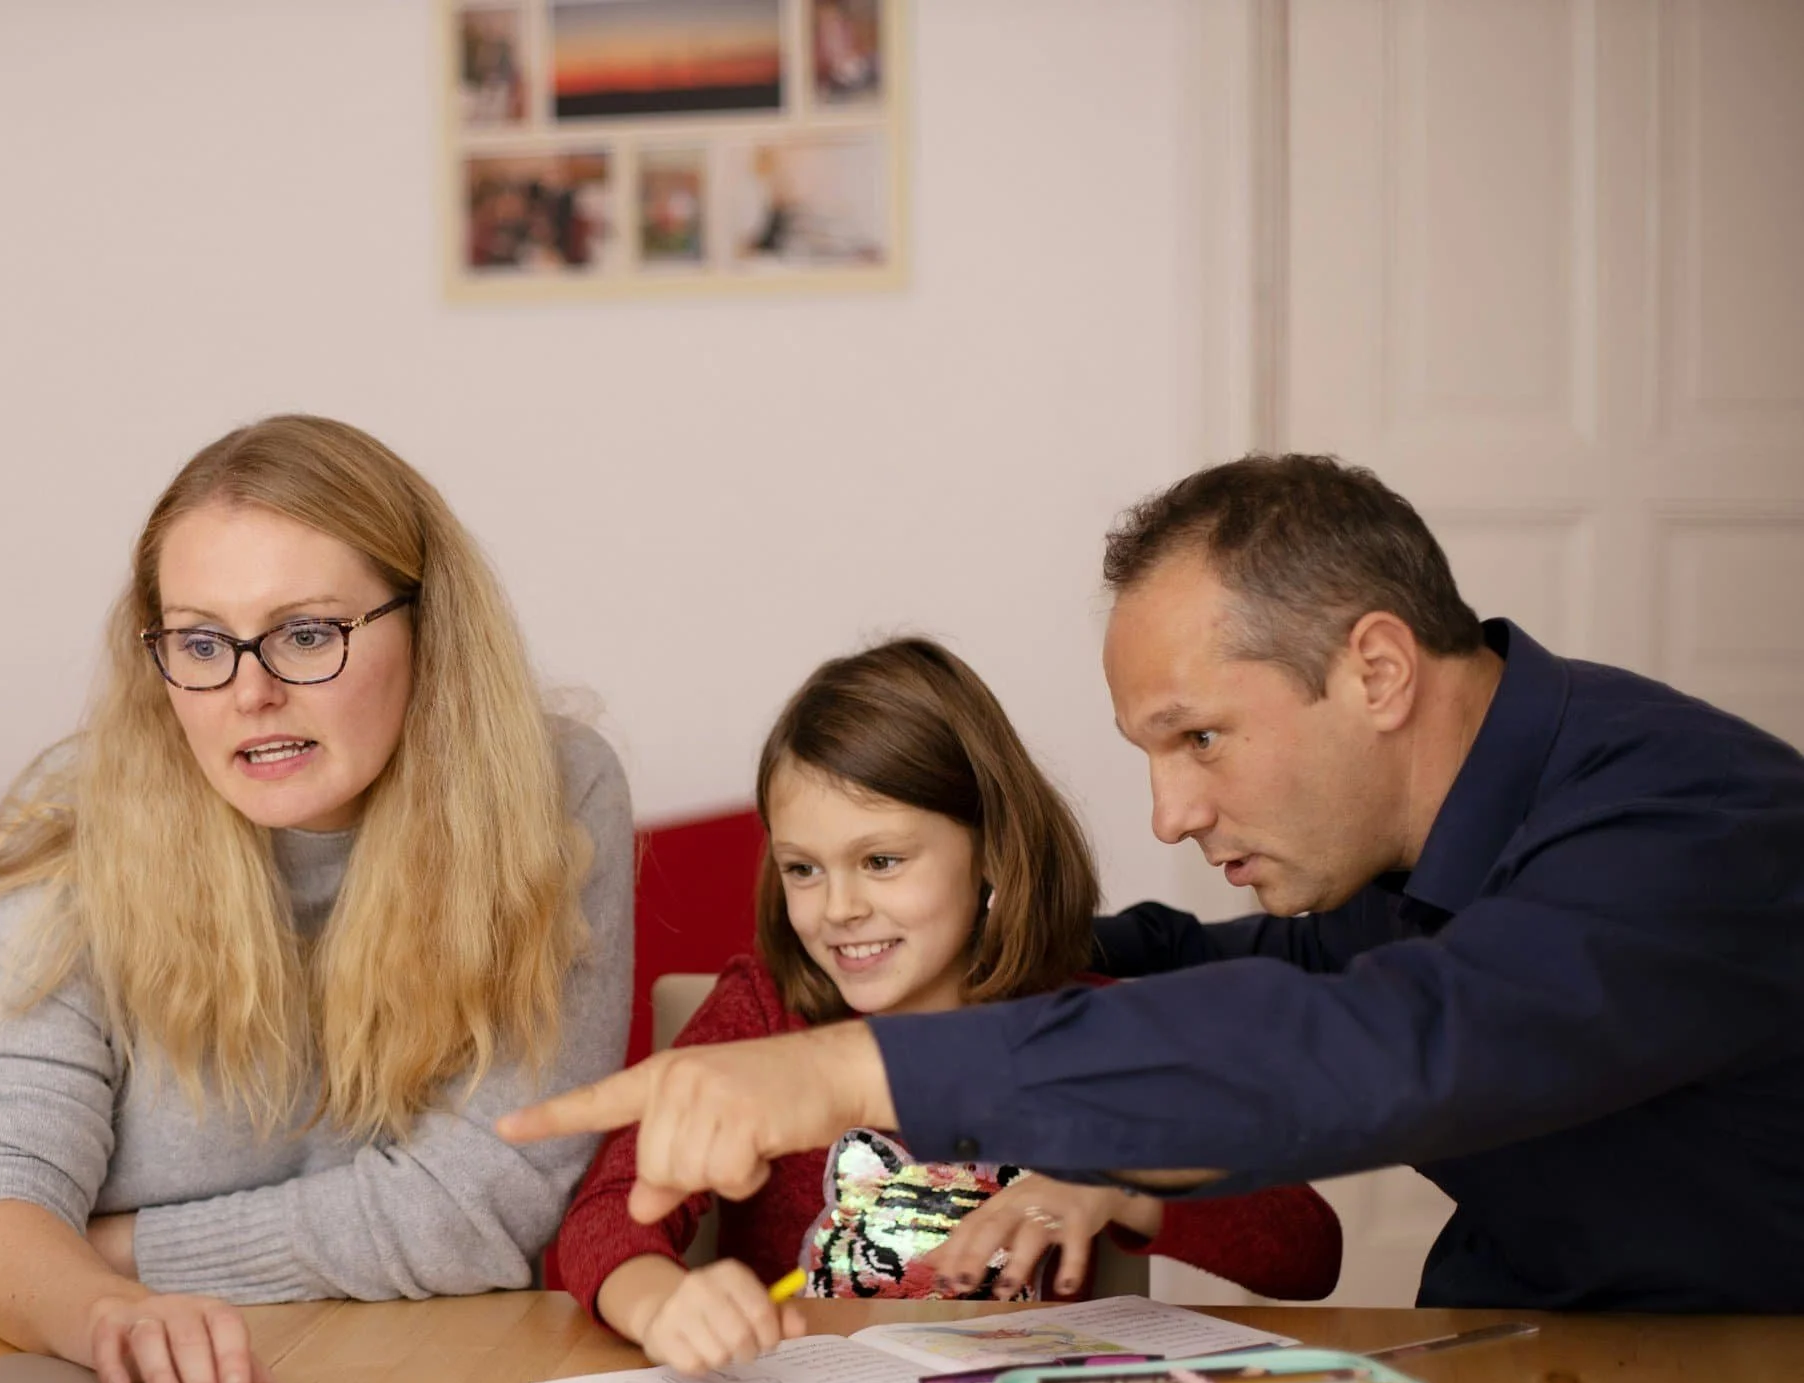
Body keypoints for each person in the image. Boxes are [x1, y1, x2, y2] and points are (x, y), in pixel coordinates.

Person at [505, 454, 1804, 1314]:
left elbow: (1386, 1041)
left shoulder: (1688, 829)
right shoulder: (1396, 853)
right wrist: (974, 956)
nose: (1171, 813)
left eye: (1201, 738)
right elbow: (1218, 969)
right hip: (1525, 1353)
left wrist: (857, 1068)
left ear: (1378, 671)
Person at [0, 415, 632, 1383]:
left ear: (429, 628)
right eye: (201, 641)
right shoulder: (82, 821)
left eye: (305, 633)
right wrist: (106, 1307)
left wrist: (108, 1247)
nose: (249, 691)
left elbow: (484, 1207)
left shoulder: (552, 791)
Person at [553, 639, 1339, 1375]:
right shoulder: (761, 1012)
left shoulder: (1085, 1032)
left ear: (991, 849)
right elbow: (601, 1219)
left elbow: (1307, 1248)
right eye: (803, 868)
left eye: (881, 860)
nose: (840, 907)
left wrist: (1122, 1180)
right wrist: (661, 1300)